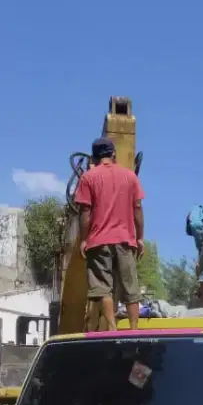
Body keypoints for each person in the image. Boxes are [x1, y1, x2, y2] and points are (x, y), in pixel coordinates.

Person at [74, 137, 145, 330]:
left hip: (98, 241)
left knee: (103, 288)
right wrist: (139, 237)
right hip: (125, 239)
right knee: (131, 287)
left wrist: (84, 239)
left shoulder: (88, 178)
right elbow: (137, 209)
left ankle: (112, 328)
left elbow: (85, 212)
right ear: (113, 154)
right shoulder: (130, 176)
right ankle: (133, 329)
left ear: (95, 157)